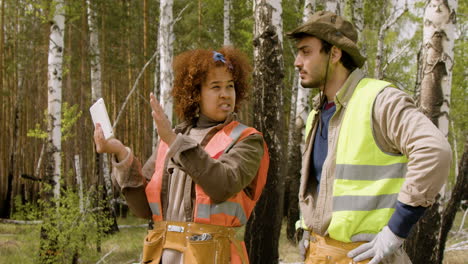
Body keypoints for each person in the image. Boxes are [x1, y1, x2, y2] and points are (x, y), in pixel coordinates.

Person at [287, 11, 452, 264]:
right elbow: (320, 186)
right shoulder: (316, 114)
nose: (298, 61)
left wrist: (396, 230)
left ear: (334, 54)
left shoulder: (379, 99)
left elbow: (434, 151)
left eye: (306, 52)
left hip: (366, 257)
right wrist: (306, 229)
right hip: (319, 255)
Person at [93, 47, 269, 264]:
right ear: (196, 94)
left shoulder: (247, 139)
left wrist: (174, 141)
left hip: (215, 257)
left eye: (230, 86)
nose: (225, 94)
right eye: (215, 87)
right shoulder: (172, 139)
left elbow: (223, 185)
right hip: (163, 254)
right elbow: (143, 208)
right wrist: (121, 153)